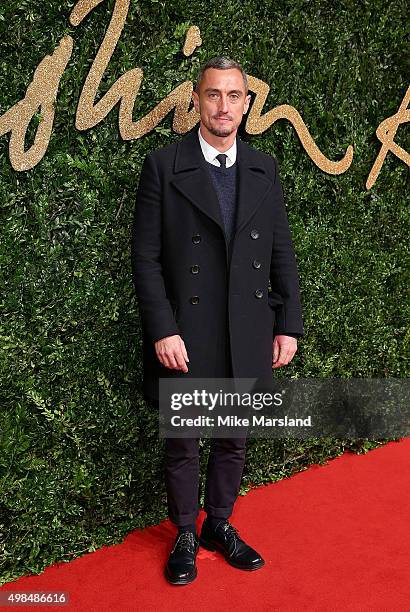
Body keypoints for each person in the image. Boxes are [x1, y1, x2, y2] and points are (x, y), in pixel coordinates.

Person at [131, 56, 303, 585]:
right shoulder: (164, 164)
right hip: (188, 329)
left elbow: (280, 250)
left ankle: (219, 524)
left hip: (247, 326)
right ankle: (186, 530)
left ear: (247, 104)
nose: (223, 106)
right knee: (183, 439)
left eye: (234, 96)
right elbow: (146, 257)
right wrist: (163, 327)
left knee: (234, 435)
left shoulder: (263, 167)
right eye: (213, 95)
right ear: (196, 101)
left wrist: (288, 324)